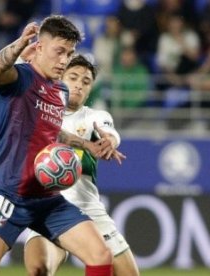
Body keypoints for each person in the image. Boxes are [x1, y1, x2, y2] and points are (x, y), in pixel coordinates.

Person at [0, 15, 114, 276]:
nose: (64, 60)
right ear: (39, 47)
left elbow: (51, 131)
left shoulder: (61, 91)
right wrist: (17, 46)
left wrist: (85, 145)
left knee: (101, 255)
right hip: (9, 194)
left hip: (46, 198)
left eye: (69, 53)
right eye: (59, 51)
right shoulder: (19, 77)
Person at [23, 55, 140, 276]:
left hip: (88, 208)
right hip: (51, 208)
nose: (79, 85)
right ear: (59, 79)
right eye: (73, 77)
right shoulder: (41, 113)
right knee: (39, 268)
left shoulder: (94, 117)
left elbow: (110, 132)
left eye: (85, 82)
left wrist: (110, 141)